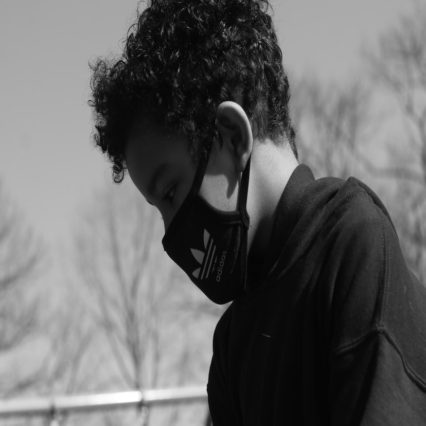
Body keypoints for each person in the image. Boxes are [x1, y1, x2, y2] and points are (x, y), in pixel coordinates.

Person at [89, 0, 426, 424]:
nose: (172, 231)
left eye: (171, 192)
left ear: (232, 136)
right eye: (158, 210)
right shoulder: (232, 344)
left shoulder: (352, 246)